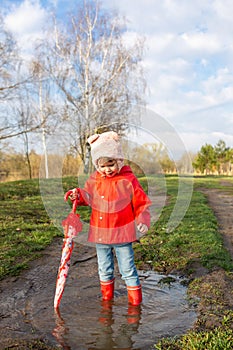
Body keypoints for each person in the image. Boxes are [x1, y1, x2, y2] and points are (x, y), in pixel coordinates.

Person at [64, 131, 151, 306]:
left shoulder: (128, 179)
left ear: (118, 161)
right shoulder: (94, 180)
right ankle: (107, 300)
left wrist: (142, 219)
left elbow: (141, 202)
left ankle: (135, 305)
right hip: (100, 234)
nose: (107, 169)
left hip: (122, 233)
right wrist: (77, 196)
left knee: (127, 268)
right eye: (102, 166)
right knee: (104, 268)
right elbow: (87, 197)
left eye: (110, 164)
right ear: (97, 165)